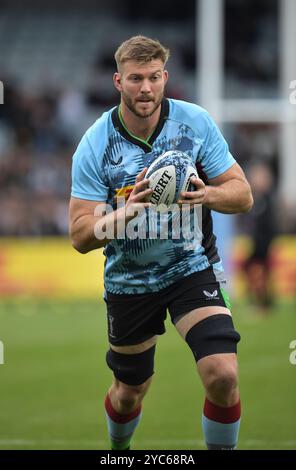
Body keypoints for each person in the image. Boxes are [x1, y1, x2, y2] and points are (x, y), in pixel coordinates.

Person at [69, 35, 253, 450]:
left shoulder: (195, 123)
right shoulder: (95, 143)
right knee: (129, 391)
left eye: (154, 77)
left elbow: (243, 196)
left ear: (165, 77)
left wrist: (205, 194)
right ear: (118, 81)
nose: (146, 88)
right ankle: (119, 452)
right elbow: (79, 236)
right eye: (136, 79)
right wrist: (126, 213)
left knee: (223, 374)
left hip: (190, 267)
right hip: (129, 282)